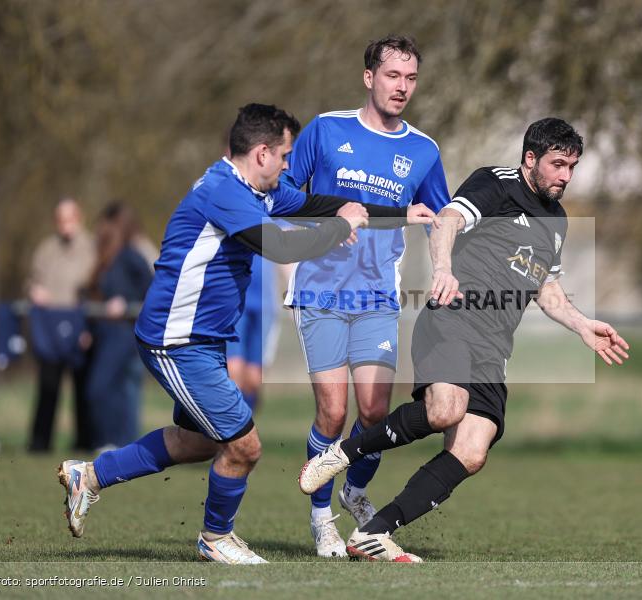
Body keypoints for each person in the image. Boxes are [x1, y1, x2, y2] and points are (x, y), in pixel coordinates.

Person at [56, 103, 435, 564]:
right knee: (245, 445)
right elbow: (280, 245)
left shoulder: (258, 190)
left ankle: (91, 476)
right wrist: (340, 229)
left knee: (198, 441)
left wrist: (399, 213)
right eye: (285, 156)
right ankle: (216, 538)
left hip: (204, 340)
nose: (290, 166)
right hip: (176, 340)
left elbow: (314, 204)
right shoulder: (224, 192)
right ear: (262, 154)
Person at [298, 118, 630, 561]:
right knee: (445, 409)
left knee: (472, 451)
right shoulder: (496, 183)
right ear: (530, 158)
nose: (566, 176)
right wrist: (443, 270)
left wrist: (582, 324)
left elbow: (544, 286)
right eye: (557, 165)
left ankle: (373, 533)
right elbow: (447, 221)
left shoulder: (557, 220)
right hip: (453, 319)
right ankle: (341, 453)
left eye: (572, 167)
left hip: (494, 347)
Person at [280, 34, 450, 557]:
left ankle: (353, 489)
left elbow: (441, 218)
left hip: (378, 297)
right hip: (320, 291)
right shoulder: (326, 130)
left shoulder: (423, 150)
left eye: (411, 78)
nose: (402, 87)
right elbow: (282, 194)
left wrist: (448, 267)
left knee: (375, 412)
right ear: (369, 77)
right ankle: (321, 519)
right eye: (393, 75)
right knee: (333, 414)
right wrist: (332, 215)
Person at [26, 198, 96, 452]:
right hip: (50, 327)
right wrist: (34, 290)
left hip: (80, 326)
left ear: (79, 218)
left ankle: (84, 442)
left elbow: (96, 288)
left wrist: (89, 328)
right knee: (48, 386)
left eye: (69, 218)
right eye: (60, 219)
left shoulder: (91, 248)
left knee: (83, 388)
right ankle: (39, 443)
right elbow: (32, 280)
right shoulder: (46, 249)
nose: (65, 224)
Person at [84, 203, 154, 450]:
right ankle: (112, 441)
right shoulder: (104, 258)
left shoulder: (130, 255)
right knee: (111, 388)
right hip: (104, 332)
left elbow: (152, 288)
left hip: (123, 332)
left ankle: (115, 442)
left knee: (103, 387)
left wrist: (127, 303)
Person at [226, 254, 277, 412]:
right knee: (234, 367)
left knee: (254, 378)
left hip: (265, 305)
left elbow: (287, 258)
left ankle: (243, 421)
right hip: (236, 301)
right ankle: (230, 421)